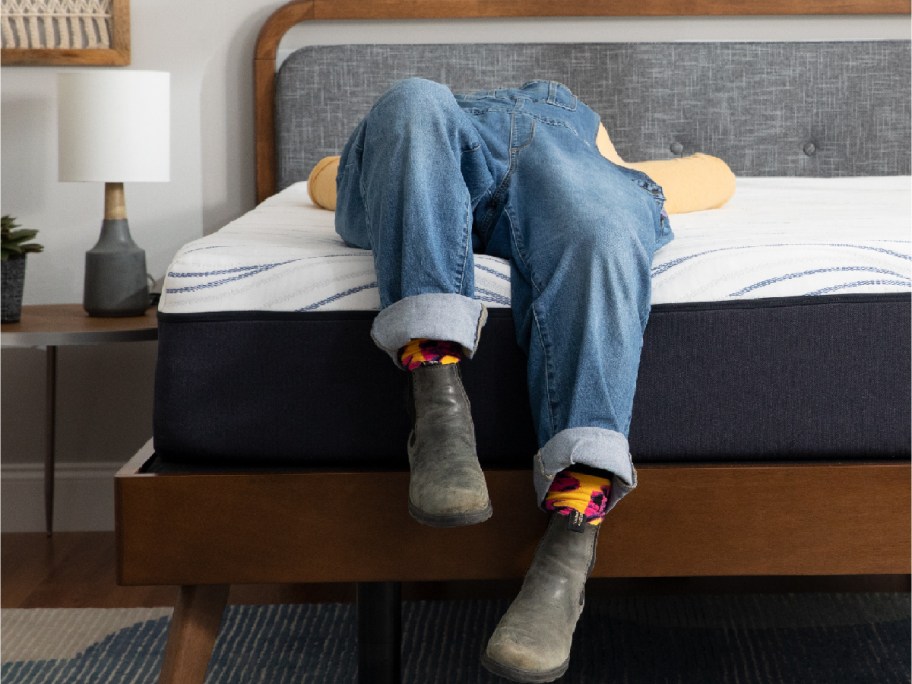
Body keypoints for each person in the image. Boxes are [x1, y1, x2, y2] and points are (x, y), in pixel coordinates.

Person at [332, 76, 681, 683]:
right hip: (436, 142)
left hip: (563, 170)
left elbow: (707, 183)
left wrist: (626, 174)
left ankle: (572, 539)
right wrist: (407, 160)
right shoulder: (436, 112)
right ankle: (438, 409)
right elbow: (326, 185)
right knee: (413, 96)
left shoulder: (588, 137)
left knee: (605, 233)